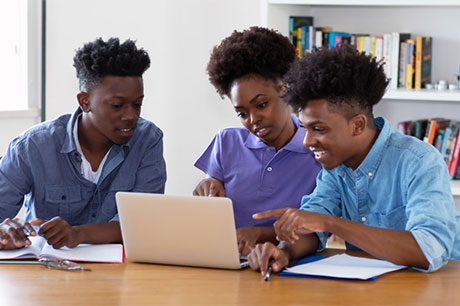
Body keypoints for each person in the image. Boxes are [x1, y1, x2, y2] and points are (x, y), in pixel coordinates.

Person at [248, 45, 460, 275]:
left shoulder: (419, 160)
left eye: (318, 129)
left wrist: (331, 223)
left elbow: (430, 248)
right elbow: (312, 226)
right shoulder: (335, 167)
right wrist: (285, 251)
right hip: (375, 289)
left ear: (357, 125)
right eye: (305, 128)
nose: (307, 141)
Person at [0, 37, 166, 250]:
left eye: (137, 104)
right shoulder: (32, 146)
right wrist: (6, 230)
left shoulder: (148, 140)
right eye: (117, 105)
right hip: (48, 275)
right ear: (84, 102)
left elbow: (143, 223)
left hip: (121, 275)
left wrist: (78, 233)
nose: (131, 116)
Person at [193, 27, 321, 255]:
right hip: (230, 261)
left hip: (292, 263)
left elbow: (318, 227)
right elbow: (211, 197)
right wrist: (209, 186)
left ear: (285, 90)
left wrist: (260, 234)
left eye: (262, 104)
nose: (253, 120)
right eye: (242, 113)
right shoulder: (226, 142)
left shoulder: (316, 149)